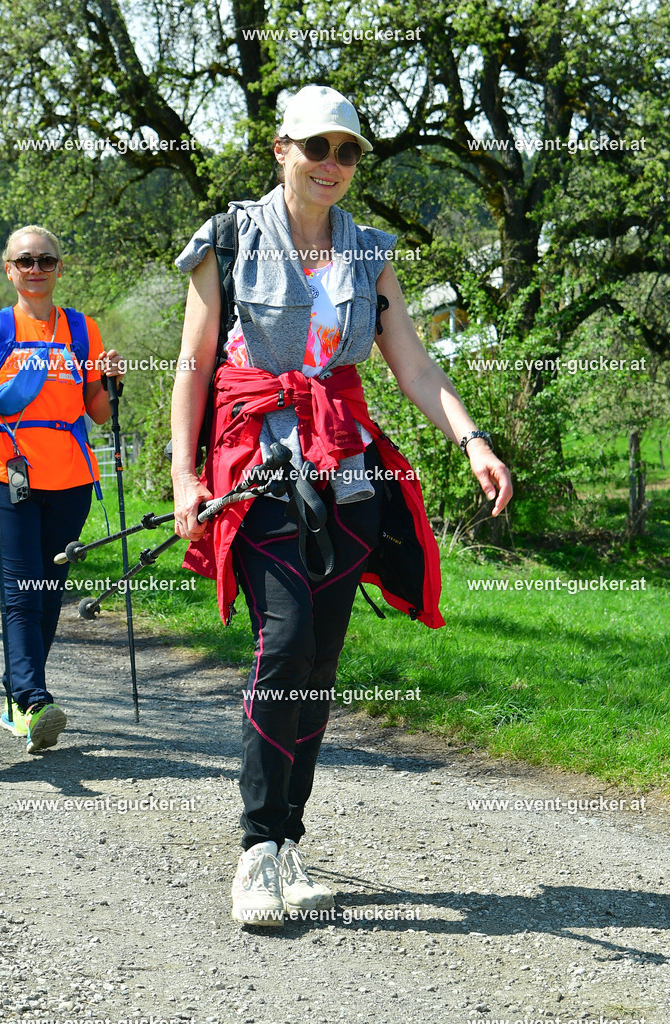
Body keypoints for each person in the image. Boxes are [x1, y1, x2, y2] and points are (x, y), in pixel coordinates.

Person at [170, 85, 512, 926]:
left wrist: (471, 439)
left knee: (319, 664)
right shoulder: (228, 239)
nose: (332, 165)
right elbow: (191, 364)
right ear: (281, 147)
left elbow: (414, 368)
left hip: (347, 469)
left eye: (347, 152)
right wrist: (186, 476)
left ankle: (288, 842)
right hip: (257, 467)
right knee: (282, 644)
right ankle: (254, 853)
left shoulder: (368, 254)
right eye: (317, 147)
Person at [0, 225, 124, 754]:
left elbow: (98, 410)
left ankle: (17, 702)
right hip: (8, 476)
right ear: (9, 269)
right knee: (22, 591)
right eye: (25, 261)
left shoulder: (83, 330)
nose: (36, 269)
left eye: (46, 260)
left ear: (60, 267)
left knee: (47, 595)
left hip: (71, 479)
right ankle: (34, 697)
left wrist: (111, 380)